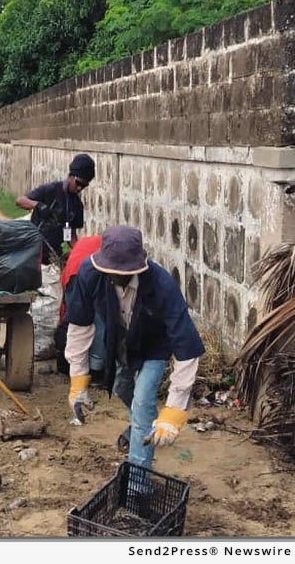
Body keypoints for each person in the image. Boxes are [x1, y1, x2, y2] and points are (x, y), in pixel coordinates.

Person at [64, 226, 205, 470]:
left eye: (125, 272)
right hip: (120, 342)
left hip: (153, 346)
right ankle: (144, 425)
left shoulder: (161, 284)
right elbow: (80, 325)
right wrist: (78, 380)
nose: (118, 276)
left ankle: (137, 487)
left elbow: (187, 347)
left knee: (141, 403)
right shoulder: (90, 273)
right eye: (112, 271)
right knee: (121, 387)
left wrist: (174, 411)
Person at [15, 154, 95, 264]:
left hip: (53, 254)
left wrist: (80, 253)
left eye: (84, 186)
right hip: (31, 249)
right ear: (70, 176)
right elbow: (20, 201)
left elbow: (71, 235)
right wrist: (38, 205)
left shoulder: (77, 205)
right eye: (78, 183)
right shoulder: (50, 190)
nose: (80, 188)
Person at [54, 234, 104, 376]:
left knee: (76, 321)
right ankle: (96, 367)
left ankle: (74, 367)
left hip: (75, 276)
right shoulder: (102, 245)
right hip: (95, 272)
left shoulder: (78, 251)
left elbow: (65, 303)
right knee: (99, 319)